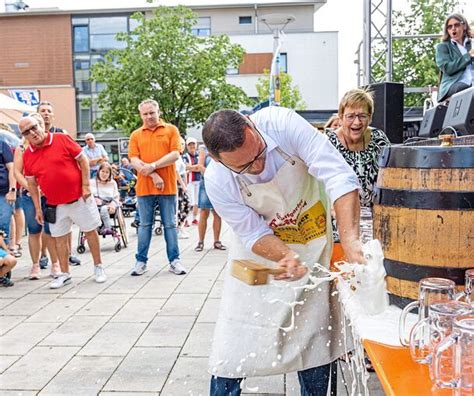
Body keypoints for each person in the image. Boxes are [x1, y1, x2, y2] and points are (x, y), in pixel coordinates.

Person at [202, 107, 364, 395]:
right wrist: (285, 256)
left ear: (251, 124)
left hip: (312, 245)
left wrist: (350, 242)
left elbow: (339, 177)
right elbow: (253, 232)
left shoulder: (284, 124)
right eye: (245, 166)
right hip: (258, 256)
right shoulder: (217, 180)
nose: (258, 167)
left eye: (260, 153)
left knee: (313, 340)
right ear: (217, 160)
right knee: (232, 348)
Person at [20, 115, 107, 288]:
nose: (33, 133)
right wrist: (38, 209)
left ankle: (98, 267)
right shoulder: (27, 155)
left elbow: (82, 160)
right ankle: (65, 274)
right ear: (24, 136)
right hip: (54, 203)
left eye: (34, 127)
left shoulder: (61, 139)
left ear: (41, 125)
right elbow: (31, 183)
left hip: (79, 197)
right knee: (59, 238)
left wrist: (85, 186)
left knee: (90, 231)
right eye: (27, 132)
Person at [128, 99, 186, 276]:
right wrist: (152, 174)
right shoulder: (136, 135)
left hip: (167, 187)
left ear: (158, 111)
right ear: (141, 115)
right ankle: (140, 262)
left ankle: (174, 261)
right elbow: (134, 160)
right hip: (144, 187)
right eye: (145, 114)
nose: (149, 116)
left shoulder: (171, 130)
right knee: (145, 225)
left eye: (151, 113)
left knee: (170, 224)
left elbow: (175, 154)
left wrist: (153, 165)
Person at [14, 113, 61, 280]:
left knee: (50, 230)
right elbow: (17, 173)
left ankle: (55, 263)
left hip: (50, 194)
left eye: (37, 125)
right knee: (34, 230)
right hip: (29, 195)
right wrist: (31, 188)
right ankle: (35, 264)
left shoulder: (50, 144)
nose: (33, 131)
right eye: (28, 130)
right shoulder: (22, 148)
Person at [37, 101, 81, 269]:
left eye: (49, 111)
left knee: (66, 223)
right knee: (45, 225)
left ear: (53, 115)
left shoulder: (62, 134)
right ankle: (44, 255)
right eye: (42, 111)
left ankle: (69, 254)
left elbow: (75, 158)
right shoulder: (32, 137)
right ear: (38, 114)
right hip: (42, 190)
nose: (46, 113)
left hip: (62, 189)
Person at [194, 145, 226, 252]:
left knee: (217, 213)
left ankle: (217, 241)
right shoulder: (204, 148)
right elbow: (200, 166)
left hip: (219, 184)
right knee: (204, 213)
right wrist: (211, 175)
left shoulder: (222, 146)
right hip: (206, 183)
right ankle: (200, 242)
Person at [436, 13, 474, 103]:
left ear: (464, 26)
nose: (453, 28)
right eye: (449, 27)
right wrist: (468, 56)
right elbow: (447, 68)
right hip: (454, 85)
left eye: (456, 25)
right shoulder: (443, 47)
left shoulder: (471, 44)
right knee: (464, 89)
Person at [90, 162, 120, 234]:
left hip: (109, 205)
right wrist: (93, 200)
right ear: (98, 171)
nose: (104, 174)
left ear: (110, 174)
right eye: (102, 171)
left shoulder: (113, 183)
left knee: (103, 209)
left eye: (107, 172)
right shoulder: (91, 182)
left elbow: (116, 197)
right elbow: (87, 196)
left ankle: (107, 228)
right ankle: (95, 228)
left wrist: (112, 205)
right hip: (95, 206)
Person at [0, 139, 16, 269]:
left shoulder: (2, 144)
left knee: (3, 226)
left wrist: (12, 190)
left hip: (3, 193)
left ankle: (4, 267)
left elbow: (12, 169)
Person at [182, 137, 201, 225]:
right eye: (190, 145)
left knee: (196, 201)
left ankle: (194, 218)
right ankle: (185, 219)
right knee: (189, 201)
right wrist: (196, 167)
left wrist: (192, 167)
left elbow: (201, 167)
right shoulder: (185, 156)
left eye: (193, 144)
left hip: (198, 180)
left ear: (196, 145)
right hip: (189, 181)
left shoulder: (199, 154)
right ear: (187, 146)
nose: (192, 146)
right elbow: (186, 167)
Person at [176, 137, 191, 239]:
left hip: (181, 183)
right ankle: (178, 228)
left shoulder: (180, 157)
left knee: (186, 205)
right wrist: (183, 185)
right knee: (181, 205)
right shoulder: (176, 156)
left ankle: (180, 227)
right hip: (178, 184)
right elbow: (175, 172)